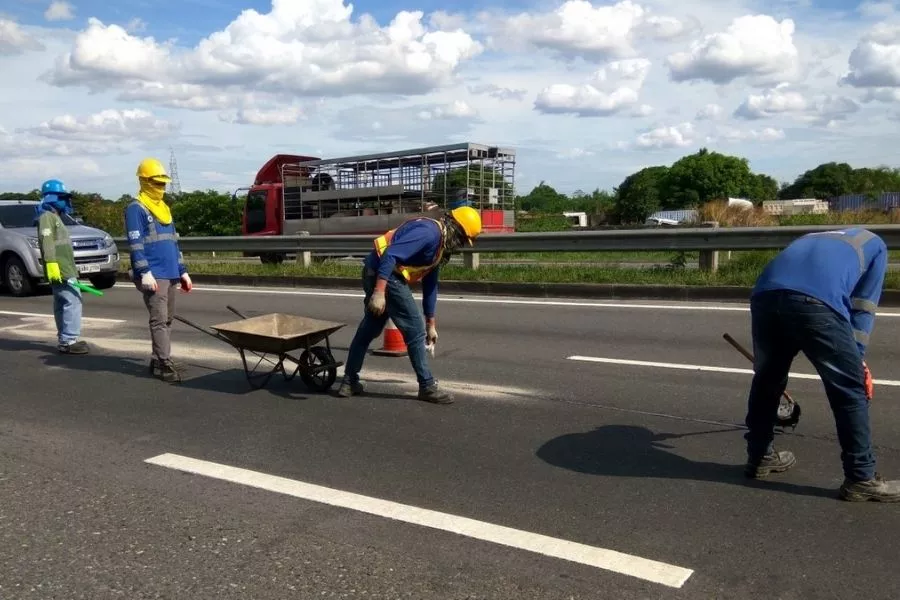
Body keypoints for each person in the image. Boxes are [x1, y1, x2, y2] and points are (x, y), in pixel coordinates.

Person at [744, 227, 899, 502]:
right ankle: (861, 477)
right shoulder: (875, 245)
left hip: (765, 295)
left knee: (768, 380)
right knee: (849, 390)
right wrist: (857, 360)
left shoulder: (812, 237)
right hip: (814, 302)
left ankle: (760, 457)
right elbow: (862, 305)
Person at [338, 205, 483, 404]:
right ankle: (427, 386)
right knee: (415, 330)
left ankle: (348, 381)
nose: (460, 245)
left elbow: (431, 284)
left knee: (370, 328)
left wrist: (431, 323)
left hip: (379, 272)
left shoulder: (440, 245)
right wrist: (379, 292)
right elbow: (390, 255)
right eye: (462, 240)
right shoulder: (429, 234)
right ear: (456, 228)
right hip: (386, 274)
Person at [125, 158, 192, 383]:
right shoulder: (136, 208)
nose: (161, 187)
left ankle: (158, 358)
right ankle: (163, 363)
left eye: (163, 183)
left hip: (170, 272)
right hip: (154, 273)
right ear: (144, 181)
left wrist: (182, 271)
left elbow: (173, 241)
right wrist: (144, 271)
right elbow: (135, 243)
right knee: (159, 320)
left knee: (168, 319)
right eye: (157, 182)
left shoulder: (163, 208)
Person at [35, 179, 88, 355]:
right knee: (72, 300)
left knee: (62, 302)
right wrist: (51, 264)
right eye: (63, 197)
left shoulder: (55, 217)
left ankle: (65, 339)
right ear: (52, 197)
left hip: (63, 267)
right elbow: (47, 240)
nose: (66, 201)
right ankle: (69, 339)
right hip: (60, 268)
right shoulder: (47, 217)